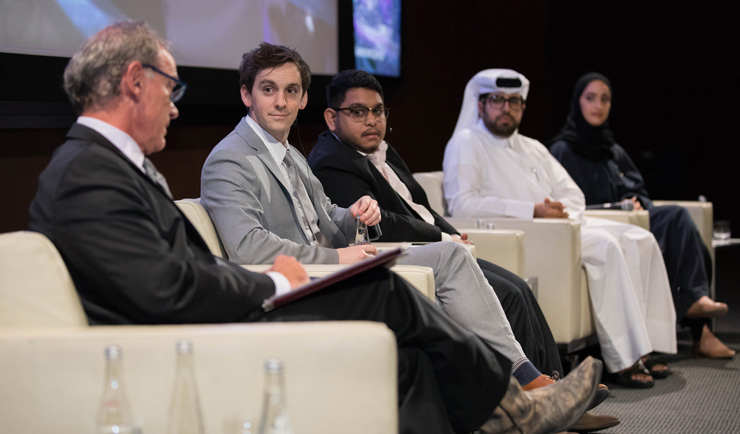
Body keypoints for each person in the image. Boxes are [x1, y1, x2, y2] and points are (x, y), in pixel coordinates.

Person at [26, 22, 602, 434]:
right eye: (170, 88)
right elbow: (168, 289)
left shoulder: (104, 165)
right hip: (189, 338)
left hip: (211, 312)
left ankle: (502, 408)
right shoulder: (87, 174)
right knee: (380, 291)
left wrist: (346, 228)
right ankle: (515, 405)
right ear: (133, 81)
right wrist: (278, 282)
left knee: (398, 332)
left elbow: (172, 275)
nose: (176, 106)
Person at [200, 43, 575, 398]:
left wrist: (356, 212)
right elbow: (247, 246)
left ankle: (523, 376)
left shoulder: (291, 154)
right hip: (303, 283)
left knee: (452, 256)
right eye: (268, 89)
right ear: (247, 95)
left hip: (339, 266)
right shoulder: (229, 159)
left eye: (291, 90)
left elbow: (326, 214)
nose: (281, 101)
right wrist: (336, 259)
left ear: (303, 99)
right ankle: (514, 390)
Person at [308, 69, 564, 376]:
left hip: (437, 247)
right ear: (331, 118)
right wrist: (442, 237)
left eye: (377, 111)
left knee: (519, 286)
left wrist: (453, 233)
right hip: (406, 256)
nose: (372, 120)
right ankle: (534, 394)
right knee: (508, 294)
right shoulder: (332, 161)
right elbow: (378, 225)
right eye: (358, 112)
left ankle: (555, 383)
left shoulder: (380, 150)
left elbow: (420, 207)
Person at [443, 69, 678, 389]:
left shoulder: (532, 146)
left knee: (641, 237)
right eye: (497, 100)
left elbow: (573, 194)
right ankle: (623, 360)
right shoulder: (467, 142)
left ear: (523, 107)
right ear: (481, 104)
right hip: (527, 234)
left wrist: (559, 212)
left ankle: (648, 346)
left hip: (559, 229)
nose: (506, 108)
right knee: (608, 244)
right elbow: (463, 205)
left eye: (514, 101)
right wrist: (534, 211)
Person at [548, 72, 735, 359]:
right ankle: (700, 327)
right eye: (591, 98)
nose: (598, 105)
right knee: (665, 238)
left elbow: (636, 188)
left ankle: (698, 307)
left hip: (630, 217)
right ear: (577, 103)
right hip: (597, 222)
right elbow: (567, 202)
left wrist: (634, 203)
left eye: (605, 99)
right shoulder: (562, 150)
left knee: (677, 219)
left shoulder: (612, 150)